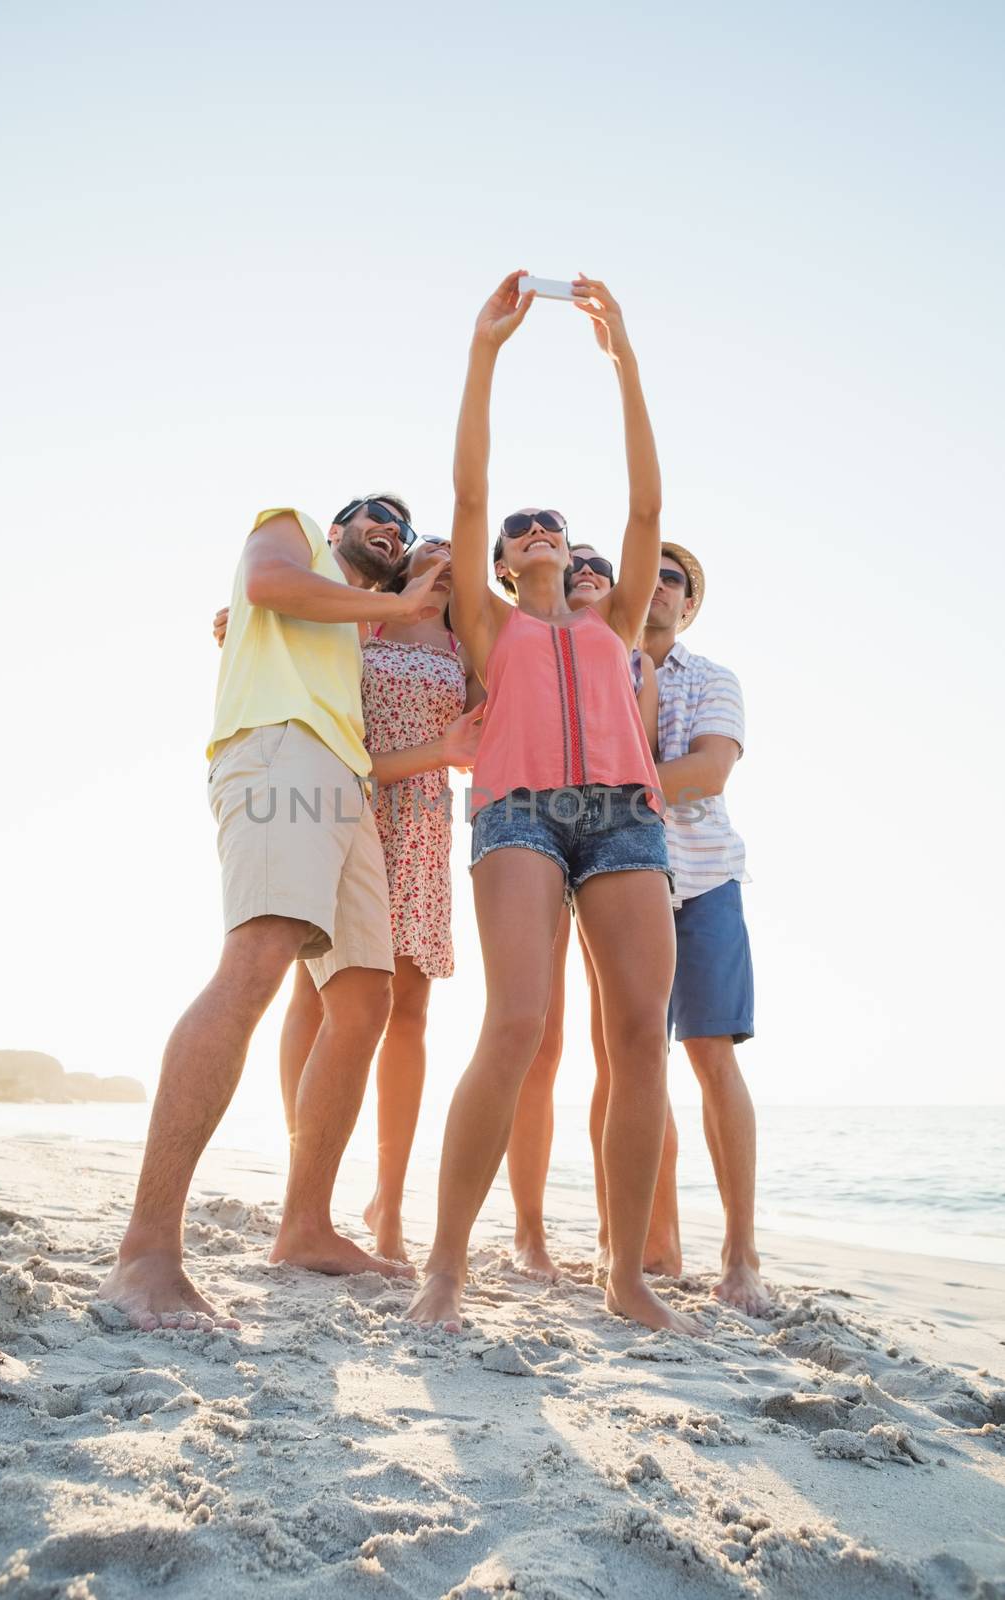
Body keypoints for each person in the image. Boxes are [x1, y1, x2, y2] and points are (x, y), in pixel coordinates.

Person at [407, 270, 700, 1335]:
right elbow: (470, 492)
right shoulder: (492, 629)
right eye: (520, 530)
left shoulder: (612, 623)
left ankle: (624, 1276)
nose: (536, 532)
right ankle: (444, 1268)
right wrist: (484, 353)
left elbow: (645, 508)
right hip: (518, 814)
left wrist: (622, 359)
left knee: (636, 1038)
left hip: (624, 817)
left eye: (554, 529)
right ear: (498, 560)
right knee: (519, 1022)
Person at [99, 495, 469, 1331]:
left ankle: (304, 1225)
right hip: (280, 747)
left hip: (346, 776)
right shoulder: (290, 526)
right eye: (375, 514)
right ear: (337, 528)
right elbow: (268, 585)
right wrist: (393, 601)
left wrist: (403, 608)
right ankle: (146, 1254)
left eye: (402, 530)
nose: (391, 527)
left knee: (366, 993)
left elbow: (277, 619)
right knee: (258, 961)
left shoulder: (355, 626)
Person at [275, 536, 486, 1265]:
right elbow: (289, 647)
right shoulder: (360, 620)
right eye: (430, 541)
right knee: (317, 996)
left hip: (422, 823)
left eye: (458, 547)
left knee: (409, 1010)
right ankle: (307, 1193)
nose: (443, 547)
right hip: (346, 804)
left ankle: (388, 1202)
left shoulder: (469, 646)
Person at [590, 542, 768, 1315]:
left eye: (674, 581)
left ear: (687, 606)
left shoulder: (712, 679)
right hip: (617, 882)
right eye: (648, 575)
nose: (658, 588)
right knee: (627, 1064)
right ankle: (644, 1244)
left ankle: (739, 1256)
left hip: (703, 880)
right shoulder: (593, 663)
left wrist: (611, 787)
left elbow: (707, 773)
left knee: (711, 1057)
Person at [503, 542, 659, 1282]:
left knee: (626, 1044)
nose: (587, 568)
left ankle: (614, 1244)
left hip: (624, 837)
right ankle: (528, 1232)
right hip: (532, 818)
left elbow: (648, 753)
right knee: (539, 1036)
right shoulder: (521, 630)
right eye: (579, 562)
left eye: (599, 561)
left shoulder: (629, 652)